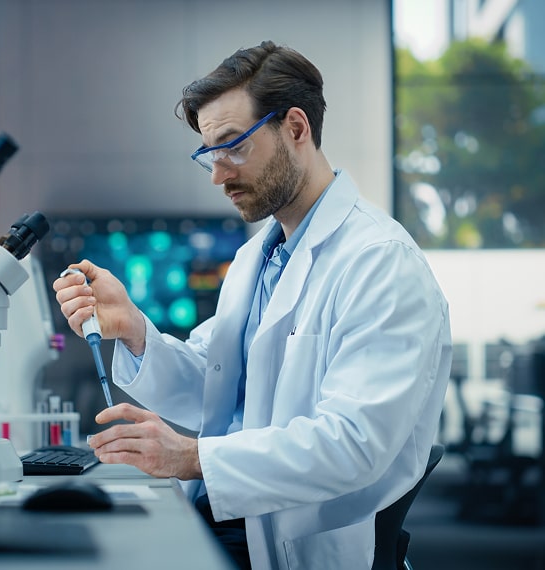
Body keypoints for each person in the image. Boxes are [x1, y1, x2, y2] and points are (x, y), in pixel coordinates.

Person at [53, 41, 452, 570]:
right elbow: (217, 386)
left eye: (232, 147)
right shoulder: (256, 260)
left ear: (295, 128)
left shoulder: (381, 263)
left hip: (308, 542)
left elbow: (355, 443)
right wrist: (134, 330)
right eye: (209, 156)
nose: (219, 176)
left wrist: (193, 458)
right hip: (235, 520)